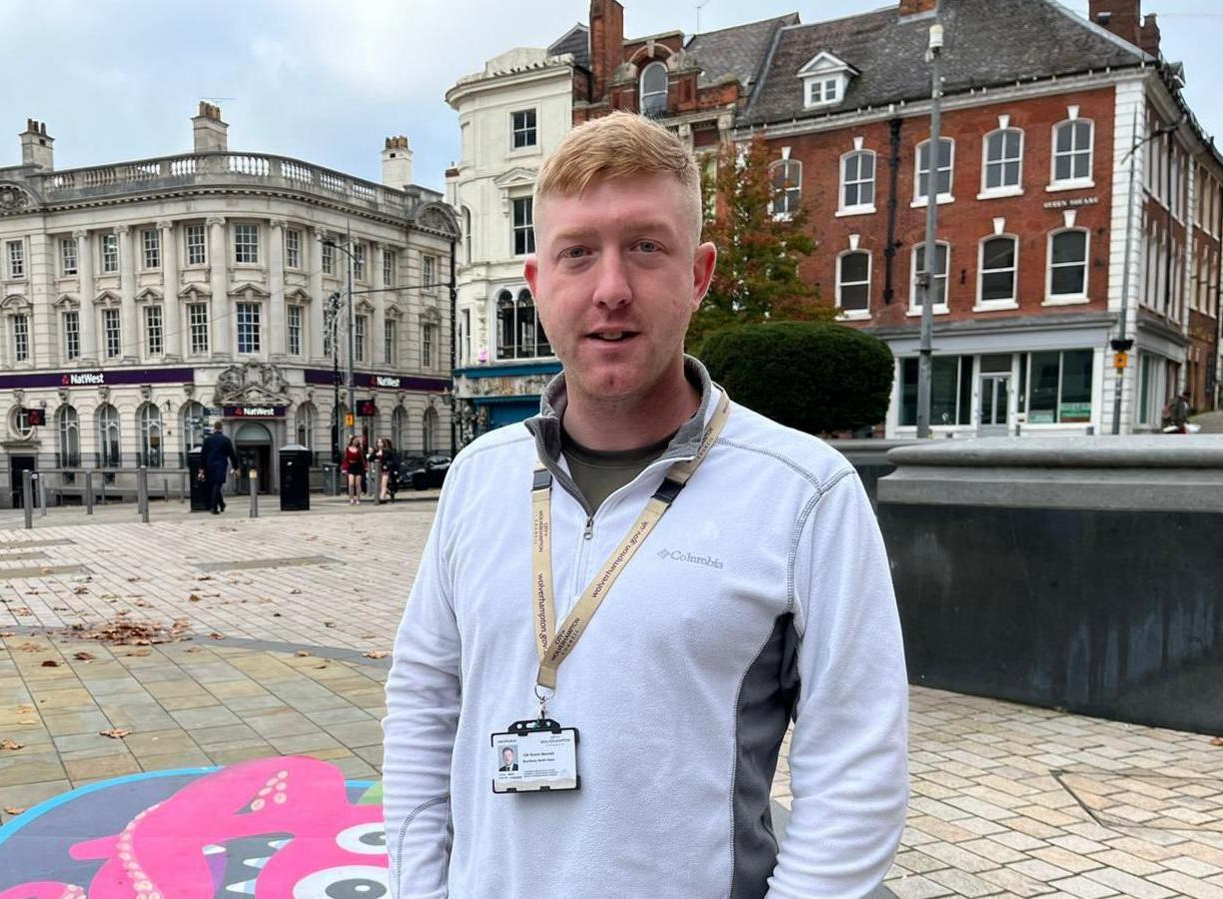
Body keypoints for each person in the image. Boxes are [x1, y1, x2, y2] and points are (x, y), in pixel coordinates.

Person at [382, 113, 908, 898]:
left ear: (698, 274)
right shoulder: (478, 476)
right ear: (539, 283)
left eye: (645, 247)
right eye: (578, 253)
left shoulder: (804, 494)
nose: (611, 289)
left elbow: (857, 765)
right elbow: (425, 703)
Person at [199, 421, 240, 514]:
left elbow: (203, 455)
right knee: (217, 485)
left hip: (209, 465)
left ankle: (221, 504)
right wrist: (236, 467)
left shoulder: (207, 440)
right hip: (221, 465)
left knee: (214, 485)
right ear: (222, 428)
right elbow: (232, 455)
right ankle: (214, 507)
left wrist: (201, 468)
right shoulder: (226, 440)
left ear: (214, 428)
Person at [340, 436, 366, 505]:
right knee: (351, 483)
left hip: (358, 467)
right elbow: (345, 459)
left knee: (357, 484)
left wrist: (365, 467)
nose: (356, 442)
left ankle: (358, 498)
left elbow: (362, 459)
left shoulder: (359, 449)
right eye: (355, 440)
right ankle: (351, 498)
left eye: (357, 441)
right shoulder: (348, 449)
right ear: (352, 441)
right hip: (351, 467)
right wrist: (344, 468)